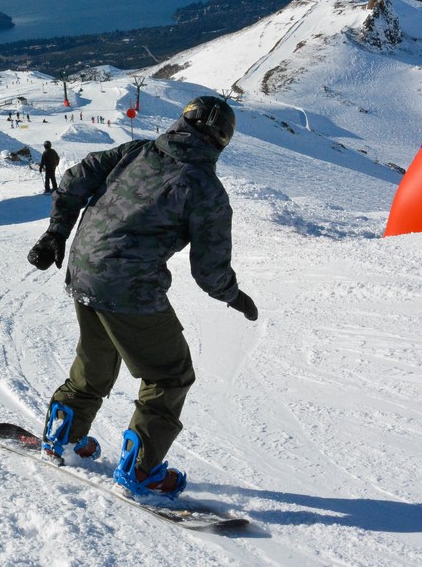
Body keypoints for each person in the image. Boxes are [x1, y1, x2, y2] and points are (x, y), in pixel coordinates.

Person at [27, 96, 258, 500]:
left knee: (97, 358)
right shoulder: (204, 188)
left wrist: (56, 233)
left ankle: (62, 432)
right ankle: (141, 469)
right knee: (170, 374)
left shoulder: (136, 151)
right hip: (129, 287)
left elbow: (74, 178)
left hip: (84, 270)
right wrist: (233, 296)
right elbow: (209, 269)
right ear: (222, 140)